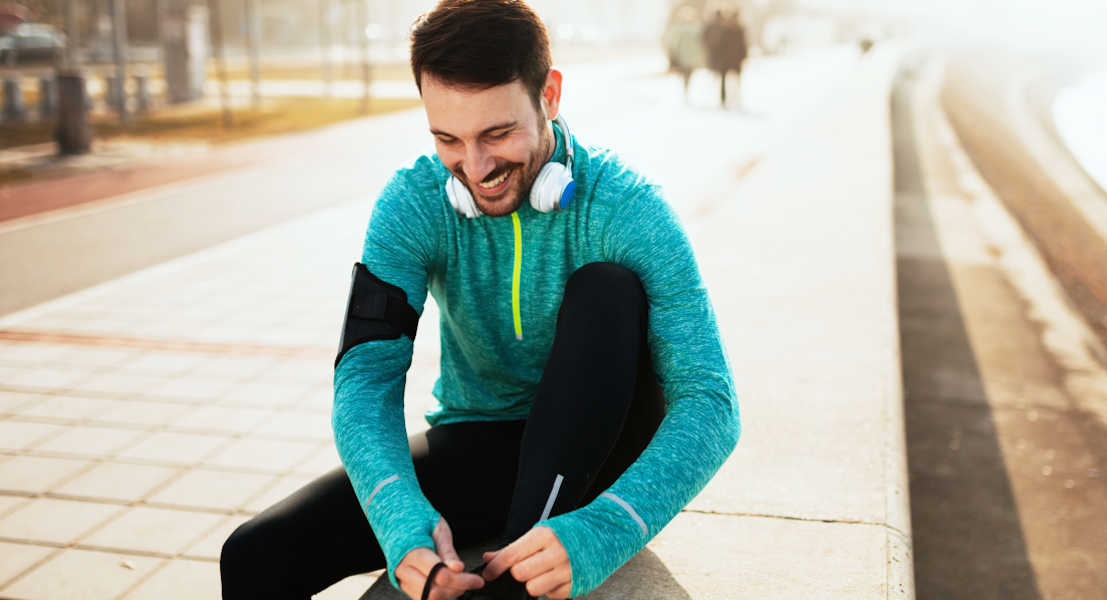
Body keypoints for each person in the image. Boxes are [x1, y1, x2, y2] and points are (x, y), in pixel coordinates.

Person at [219, 1, 739, 599]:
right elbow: (365, 374)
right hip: (481, 441)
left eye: (498, 133)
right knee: (254, 555)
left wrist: (606, 526)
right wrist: (401, 524)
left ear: (550, 95)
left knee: (607, 289)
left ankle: (525, 562)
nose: (476, 166)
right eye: (448, 138)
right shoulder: (414, 205)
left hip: (600, 452)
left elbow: (711, 401)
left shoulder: (628, 208)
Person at [703, 8, 748, 108]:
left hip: (730, 59)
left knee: (731, 79)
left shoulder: (731, 29)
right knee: (729, 79)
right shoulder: (732, 29)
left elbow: (742, 45)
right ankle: (727, 99)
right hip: (730, 59)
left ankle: (730, 98)